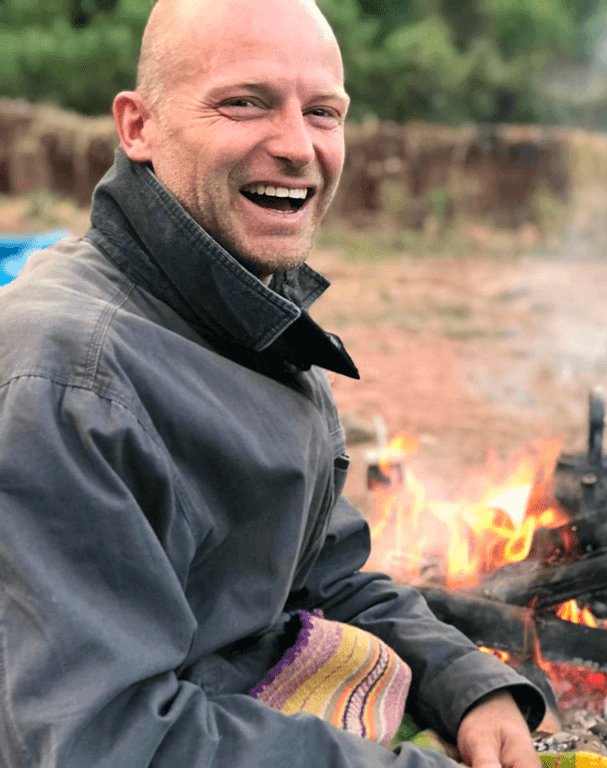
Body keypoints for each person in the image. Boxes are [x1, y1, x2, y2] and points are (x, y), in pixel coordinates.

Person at [0, 0, 545, 765]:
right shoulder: (67, 380)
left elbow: (317, 574)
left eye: (324, 112)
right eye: (244, 103)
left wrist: (462, 679)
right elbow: (108, 741)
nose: (298, 146)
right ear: (138, 127)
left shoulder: (239, 311)